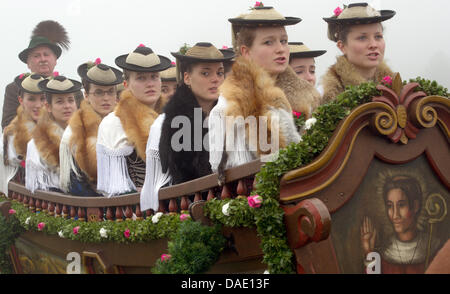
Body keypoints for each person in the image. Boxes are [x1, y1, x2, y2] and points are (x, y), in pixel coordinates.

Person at [208, 3, 321, 175]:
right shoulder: (230, 106)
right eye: (268, 42)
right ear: (246, 52)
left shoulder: (305, 98)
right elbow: (229, 172)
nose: (280, 49)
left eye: (284, 41)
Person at [140, 42, 234, 211]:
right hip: (184, 211)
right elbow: (157, 183)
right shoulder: (164, 123)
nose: (216, 79)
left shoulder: (232, 114)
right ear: (187, 78)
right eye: (205, 73)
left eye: (220, 73)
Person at [96, 44, 171, 197]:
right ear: (126, 85)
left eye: (154, 77)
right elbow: (114, 186)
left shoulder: (172, 117)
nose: (150, 83)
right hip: (134, 210)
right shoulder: (113, 123)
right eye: (141, 78)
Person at [2, 20, 82, 130]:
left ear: (55, 60)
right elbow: (7, 124)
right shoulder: (14, 89)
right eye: (36, 56)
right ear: (28, 63)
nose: (43, 59)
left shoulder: (71, 88)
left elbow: (81, 120)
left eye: (46, 55)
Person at [59, 59, 123, 196]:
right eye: (99, 93)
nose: (106, 98)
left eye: (110, 92)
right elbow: (74, 183)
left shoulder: (122, 124)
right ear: (86, 95)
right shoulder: (74, 132)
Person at [360, 176, 441, 274]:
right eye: (390, 206)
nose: (395, 215)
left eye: (401, 205)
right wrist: (369, 251)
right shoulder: (384, 251)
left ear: (415, 206)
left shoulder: (433, 248)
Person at [321, 2, 395, 103]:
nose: (373, 44)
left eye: (378, 36)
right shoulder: (325, 95)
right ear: (342, 46)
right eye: (362, 38)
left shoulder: (396, 87)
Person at [25, 74, 81, 193]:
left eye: (70, 100)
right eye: (60, 102)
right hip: (55, 204)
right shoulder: (36, 143)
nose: (67, 106)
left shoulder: (83, 135)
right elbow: (38, 188)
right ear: (48, 107)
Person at [0, 73, 45, 194]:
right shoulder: (11, 133)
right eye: (31, 99)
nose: (38, 105)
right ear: (21, 100)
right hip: (24, 198)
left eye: (42, 99)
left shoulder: (56, 129)